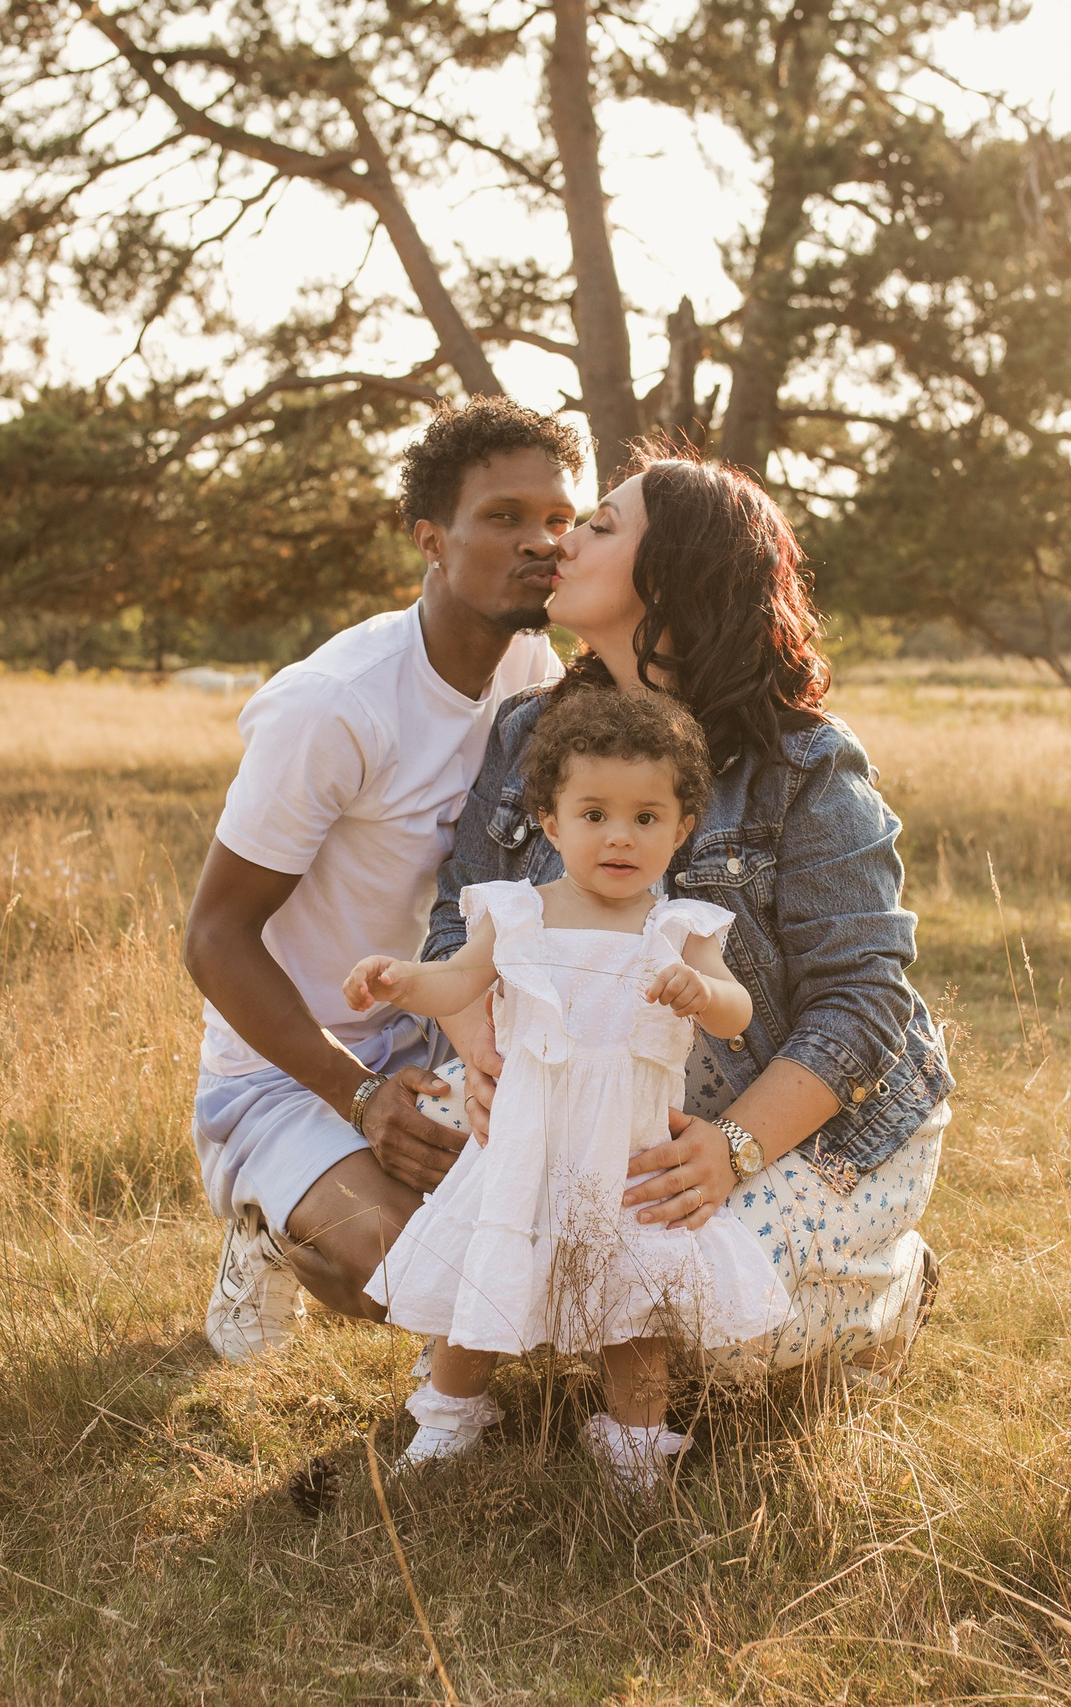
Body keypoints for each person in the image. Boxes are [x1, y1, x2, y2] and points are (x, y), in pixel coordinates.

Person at [426, 450, 954, 1387]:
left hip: (795, 1119)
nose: (562, 541)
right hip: (591, 1099)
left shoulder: (801, 763)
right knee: (427, 1222)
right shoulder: (529, 733)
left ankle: (892, 1282)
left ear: (674, 575)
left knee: (708, 1326)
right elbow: (456, 925)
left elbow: (863, 1002)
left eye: (599, 526)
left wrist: (732, 1148)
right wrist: (484, 1060)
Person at [184, 398, 581, 1361]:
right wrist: (360, 1096)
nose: (540, 542)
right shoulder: (334, 706)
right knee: (414, 1268)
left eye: (559, 519)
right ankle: (267, 1227)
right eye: (503, 517)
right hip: (294, 1065)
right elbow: (213, 938)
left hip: (445, 1025)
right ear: (429, 540)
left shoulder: (531, 662)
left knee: (545, 1253)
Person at [344, 691, 792, 1493]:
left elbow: (737, 1009)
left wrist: (703, 992)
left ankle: (634, 1441)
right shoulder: (518, 913)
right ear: (551, 824)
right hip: (526, 1144)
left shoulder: (680, 928)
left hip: (627, 1155)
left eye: (647, 817)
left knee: (634, 1306)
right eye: (594, 814)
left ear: (682, 828)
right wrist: (403, 980)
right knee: (482, 1279)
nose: (620, 835)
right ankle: (448, 1417)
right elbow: (458, 980)